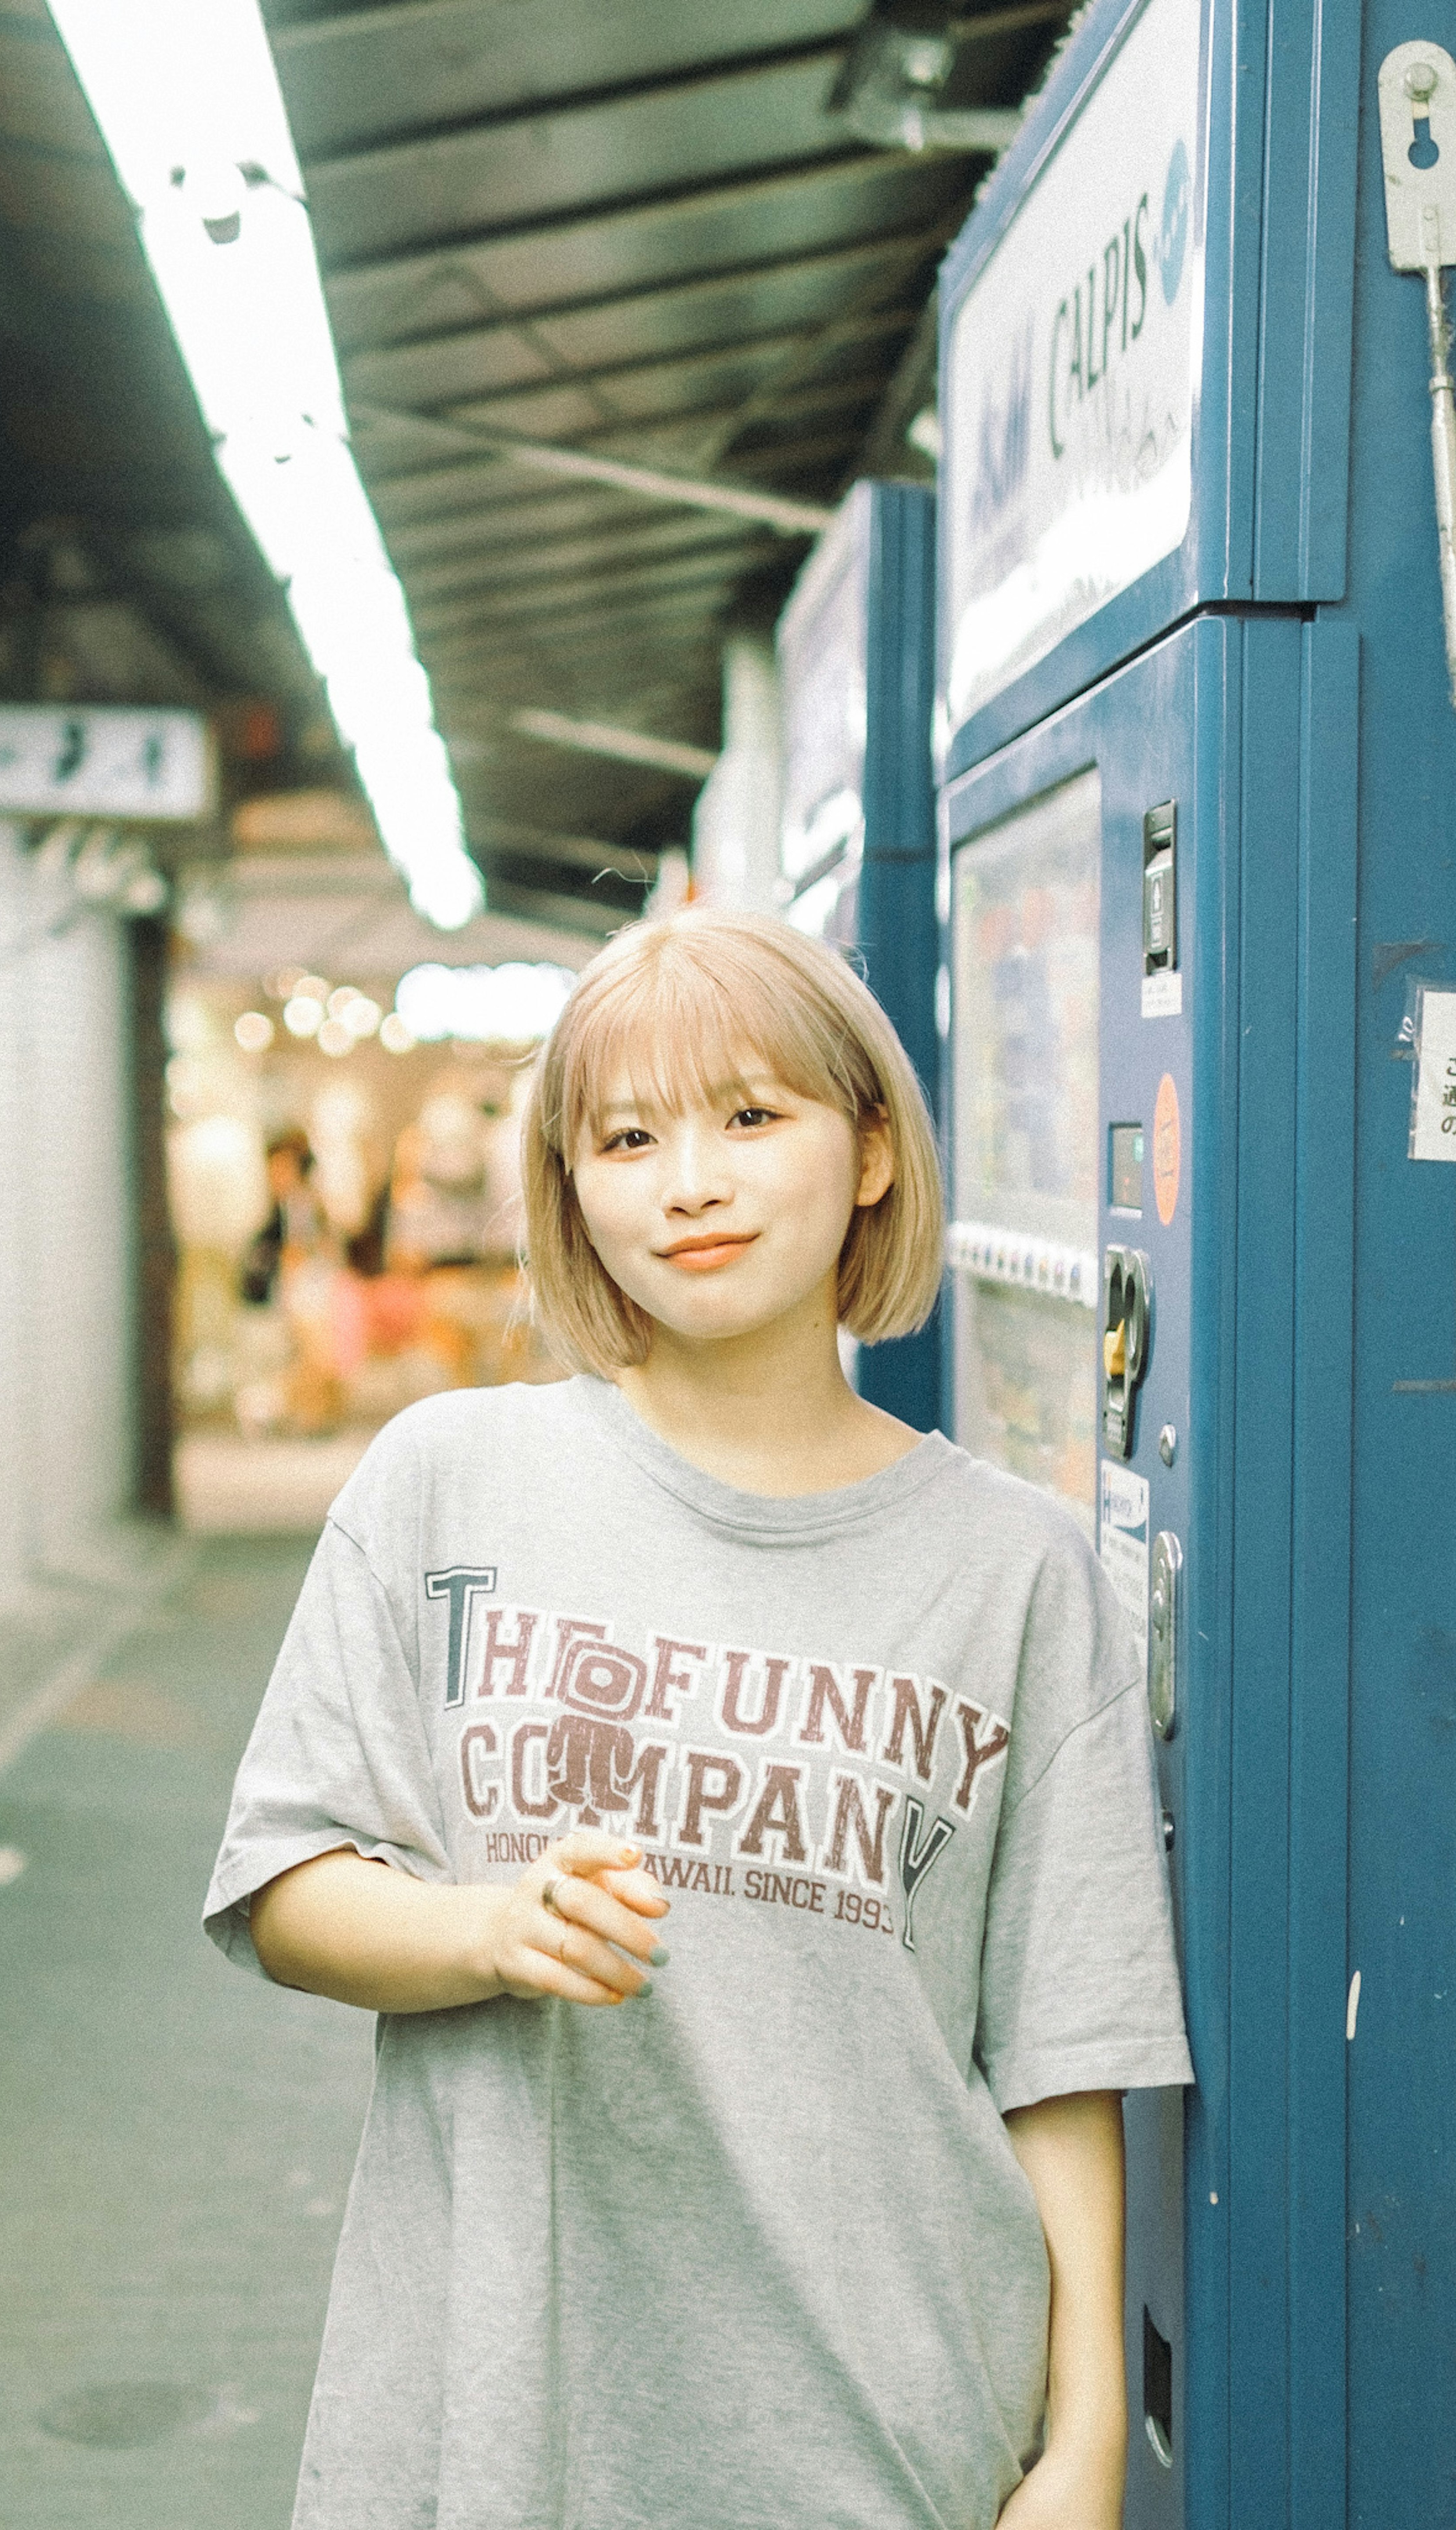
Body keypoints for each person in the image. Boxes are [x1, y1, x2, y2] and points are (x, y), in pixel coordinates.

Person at [203, 909, 1192, 2530]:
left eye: (752, 1116)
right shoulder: (450, 1482)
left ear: (870, 1150)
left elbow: (1063, 2060)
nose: (691, 1182)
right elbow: (285, 1883)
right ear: (571, 1190)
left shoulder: (1014, 1572)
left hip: (884, 2425)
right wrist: (486, 1931)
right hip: (491, 2415)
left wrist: (1082, 2448)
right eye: (629, 1136)